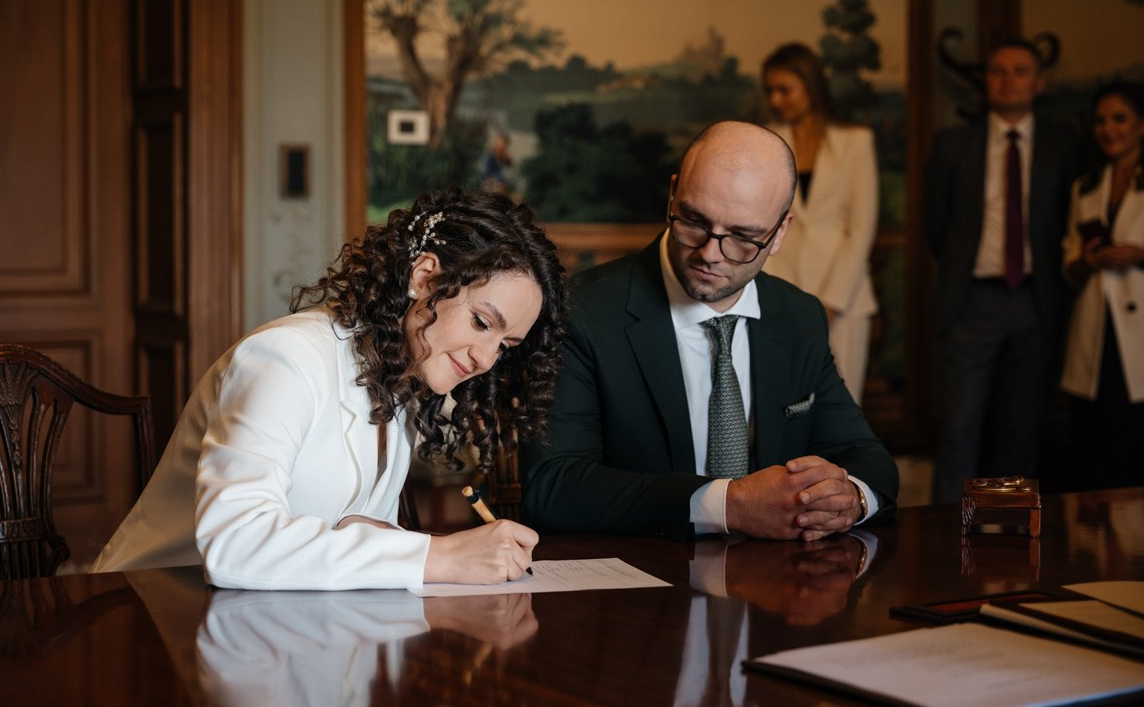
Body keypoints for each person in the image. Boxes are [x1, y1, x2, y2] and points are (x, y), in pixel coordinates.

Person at [91, 189, 566, 590]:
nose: (486, 358)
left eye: (504, 345)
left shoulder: (401, 380)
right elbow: (234, 543)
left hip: (267, 633)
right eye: (481, 322)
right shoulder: (286, 357)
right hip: (147, 616)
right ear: (424, 278)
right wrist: (436, 556)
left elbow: (340, 533)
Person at [521, 120, 899, 542]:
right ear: (672, 194)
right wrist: (727, 505)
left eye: (743, 237)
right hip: (639, 583)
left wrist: (851, 497)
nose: (710, 253)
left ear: (779, 233)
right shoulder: (582, 312)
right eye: (695, 222)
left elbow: (866, 457)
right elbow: (553, 486)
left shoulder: (798, 316)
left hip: (778, 587)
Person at [924, 38, 1075, 504]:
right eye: (998, 71)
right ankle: (946, 543)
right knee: (959, 429)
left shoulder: (1065, 145)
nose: (1008, 79)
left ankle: (1010, 548)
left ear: (1039, 82)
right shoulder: (953, 144)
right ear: (986, 82)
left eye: (1020, 70)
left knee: (1022, 430)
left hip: (1037, 301)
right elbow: (936, 225)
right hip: (972, 301)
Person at [761, 42, 880, 403]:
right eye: (770, 91)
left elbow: (861, 228)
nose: (776, 99)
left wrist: (830, 301)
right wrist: (784, 299)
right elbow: (764, 225)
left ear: (810, 85)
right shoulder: (766, 141)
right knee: (781, 401)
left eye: (785, 89)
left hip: (845, 298)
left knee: (842, 405)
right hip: (782, 292)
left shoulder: (856, 142)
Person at [1060, 80, 1144, 490]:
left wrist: (1139, 254)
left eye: (1120, 118)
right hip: (1095, 329)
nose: (1109, 129)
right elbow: (1069, 265)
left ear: (1141, 125)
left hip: (1140, 335)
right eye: (1101, 120)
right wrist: (1088, 260)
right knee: (1095, 450)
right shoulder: (1085, 186)